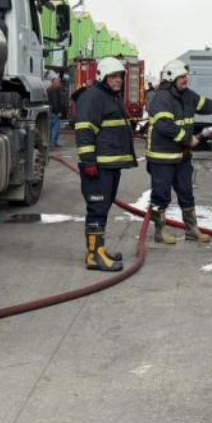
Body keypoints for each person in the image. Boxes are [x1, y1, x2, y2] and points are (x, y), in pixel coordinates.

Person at [146, 60, 212, 244]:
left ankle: (191, 229)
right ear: (171, 79)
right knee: (160, 196)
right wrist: (188, 139)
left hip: (182, 156)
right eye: (182, 77)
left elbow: (207, 105)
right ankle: (159, 231)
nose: (186, 79)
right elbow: (165, 126)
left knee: (186, 192)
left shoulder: (188, 95)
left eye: (186, 76)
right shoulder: (161, 98)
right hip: (162, 158)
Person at [73, 57, 136, 272]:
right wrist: (88, 161)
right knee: (97, 209)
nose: (118, 80)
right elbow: (84, 130)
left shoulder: (110, 97)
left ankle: (98, 249)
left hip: (109, 166)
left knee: (103, 207)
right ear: (102, 77)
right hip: (98, 167)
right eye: (113, 76)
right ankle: (94, 256)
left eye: (120, 76)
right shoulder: (93, 97)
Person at [47, 75, 69, 148]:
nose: (59, 84)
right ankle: (53, 143)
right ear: (53, 83)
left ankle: (52, 143)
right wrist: (58, 112)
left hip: (51, 112)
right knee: (55, 129)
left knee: (51, 129)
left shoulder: (49, 90)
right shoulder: (54, 91)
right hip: (54, 112)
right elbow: (55, 102)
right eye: (58, 82)